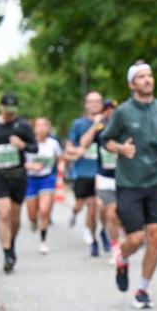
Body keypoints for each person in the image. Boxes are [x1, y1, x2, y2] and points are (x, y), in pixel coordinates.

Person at [101, 61, 157, 308]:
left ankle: (142, 290)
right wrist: (121, 148)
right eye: (141, 77)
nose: (147, 80)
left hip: (155, 181)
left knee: (154, 237)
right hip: (129, 182)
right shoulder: (122, 112)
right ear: (132, 84)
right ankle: (122, 258)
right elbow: (106, 140)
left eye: (150, 76)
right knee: (135, 239)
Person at [0, 93, 38, 273]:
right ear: (0, 107)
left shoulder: (22, 125)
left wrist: (23, 145)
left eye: (12, 111)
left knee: (15, 219)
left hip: (18, 175)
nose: (10, 114)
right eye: (7, 111)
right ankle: (7, 253)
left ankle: (11, 243)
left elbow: (35, 147)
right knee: (4, 213)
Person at [77, 99, 123, 265]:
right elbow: (83, 143)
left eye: (112, 110)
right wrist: (94, 125)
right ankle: (111, 244)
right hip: (104, 178)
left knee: (115, 214)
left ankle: (116, 244)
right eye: (106, 110)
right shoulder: (100, 129)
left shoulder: (124, 128)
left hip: (123, 178)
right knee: (107, 213)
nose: (109, 113)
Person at [66, 91, 107, 256]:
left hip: (102, 172)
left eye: (98, 101)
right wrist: (77, 150)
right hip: (83, 173)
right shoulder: (78, 124)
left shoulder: (108, 122)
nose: (95, 104)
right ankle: (93, 239)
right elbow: (69, 146)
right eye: (91, 102)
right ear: (86, 105)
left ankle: (104, 232)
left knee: (102, 208)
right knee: (87, 207)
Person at [24, 117, 63, 255]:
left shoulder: (53, 143)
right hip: (30, 180)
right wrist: (31, 165)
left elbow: (60, 158)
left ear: (49, 128)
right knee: (32, 215)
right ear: (33, 128)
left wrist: (59, 170)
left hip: (47, 179)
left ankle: (43, 241)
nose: (41, 128)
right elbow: (20, 162)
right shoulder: (27, 144)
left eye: (44, 125)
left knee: (45, 210)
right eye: (38, 125)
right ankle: (34, 221)